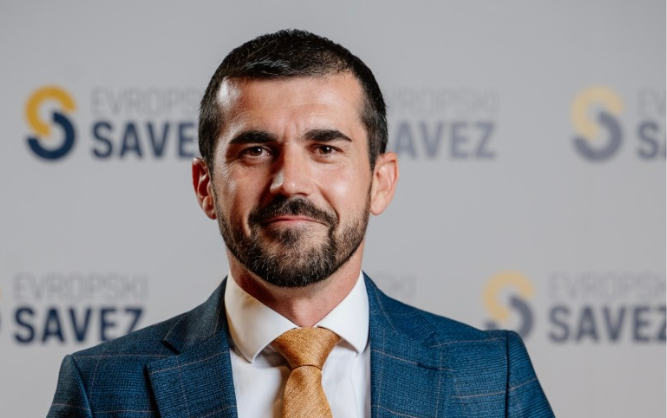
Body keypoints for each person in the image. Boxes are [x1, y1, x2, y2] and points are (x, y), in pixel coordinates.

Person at [47, 29, 555, 418]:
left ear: (381, 182)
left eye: (325, 148)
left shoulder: (492, 377)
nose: (290, 181)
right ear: (205, 186)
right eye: (256, 150)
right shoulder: (102, 389)